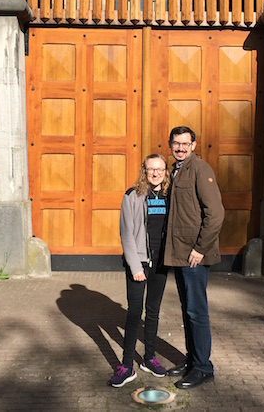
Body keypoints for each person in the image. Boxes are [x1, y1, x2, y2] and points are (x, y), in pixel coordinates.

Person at [163, 126, 225, 389]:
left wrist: (200, 248)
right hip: (179, 254)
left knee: (197, 311)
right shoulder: (175, 170)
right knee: (187, 309)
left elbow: (216, 213)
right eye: (176, 143)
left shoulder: (200, 169)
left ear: (194, 145)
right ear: (170, 145)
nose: (180, 148)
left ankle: (203, 367)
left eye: (185, 144)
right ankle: (192, 360)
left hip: (194, 255)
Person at [108, 153, 171, 388]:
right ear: (144, 171)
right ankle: (126, 366)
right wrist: (136, 266)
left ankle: (149, 358)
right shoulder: (132, 196)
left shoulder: (168, 196)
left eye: (160, 169)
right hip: (139, 264)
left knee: (153, 312)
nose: (155, 173)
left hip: (161, 263)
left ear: (165, 172)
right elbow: (126, 234)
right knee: (135, 313)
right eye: (150, 169)